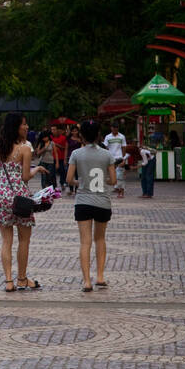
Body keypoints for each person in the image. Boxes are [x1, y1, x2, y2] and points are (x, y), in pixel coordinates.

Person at [0, 113, 48, 291]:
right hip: (20, 198)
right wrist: (36, 168)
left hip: (0, 196)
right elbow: (25, 176)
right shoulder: (24, 149)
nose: (27, 127)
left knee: (6, 241)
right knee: (24, 240)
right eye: (24, 124)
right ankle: (22, 279)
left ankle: (8, 281)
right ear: (16, 127)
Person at [67, 120, 116, 291]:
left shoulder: (76, 154)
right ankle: (100, 277)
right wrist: (104, 181)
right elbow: (114, 180)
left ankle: (87, 281)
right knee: (100, 239)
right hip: (102, 201)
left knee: (85, 242)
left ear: (81, 135)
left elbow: (68, 179)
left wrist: (80, 182)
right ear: (98, 135)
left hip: (83, 201)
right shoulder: (107, 155)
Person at [103, 122, 127, 198]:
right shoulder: (108, 137)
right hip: (111, 158)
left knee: (120, 175)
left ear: (118, 128)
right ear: (111, 128)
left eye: (116, 128)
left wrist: (123, 158)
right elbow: (105, 147)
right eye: (113, 128)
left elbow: (124, 147)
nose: (115, 129)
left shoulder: (122, 136)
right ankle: (116, 188)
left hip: (119, 157)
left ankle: (121, 192)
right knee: (112, 175)